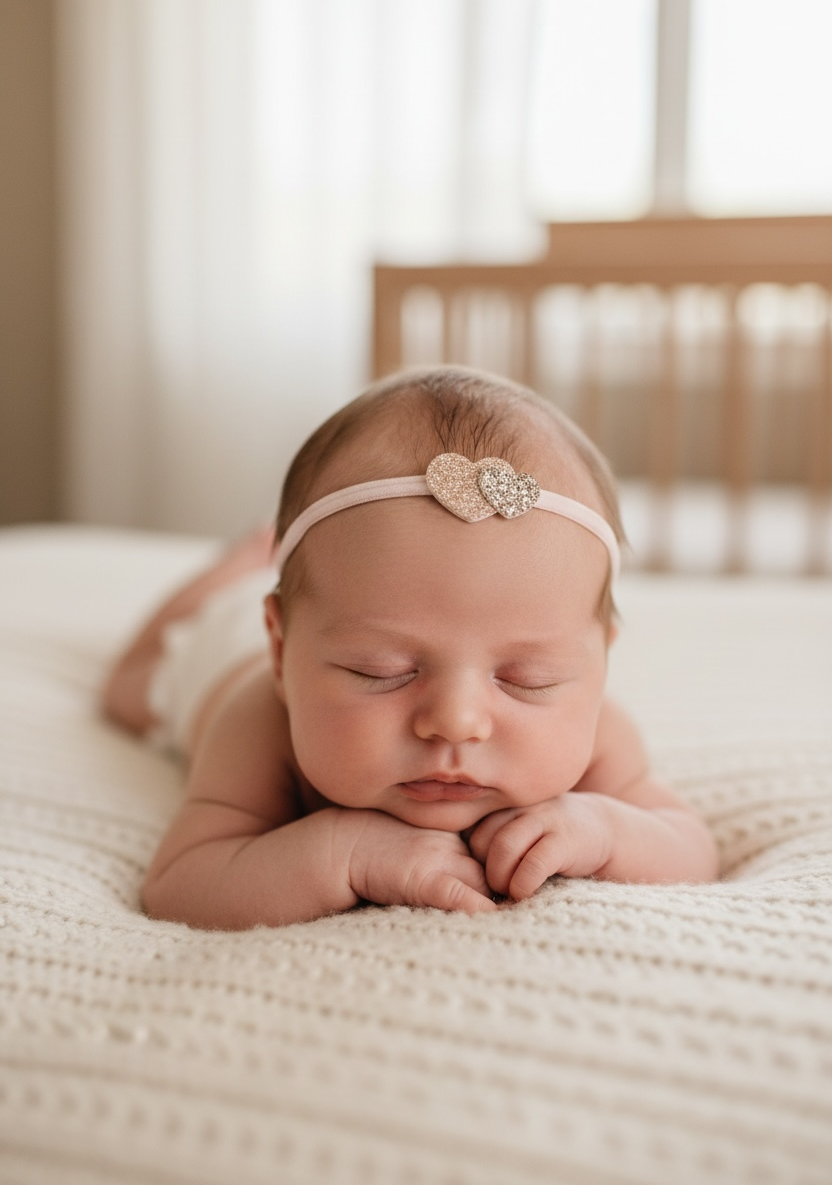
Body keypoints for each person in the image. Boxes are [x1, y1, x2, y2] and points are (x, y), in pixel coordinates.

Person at [103, 367, 718, 929]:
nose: (455, 720)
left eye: (527, 678)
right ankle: (233, 566)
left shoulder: (597, 737)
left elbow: (688, 845)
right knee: (129, 689)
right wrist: (344, 852)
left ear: (599, 664)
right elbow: (184, 883)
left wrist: (604, 829)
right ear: (283, 649)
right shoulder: (257, 724)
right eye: (382, 670)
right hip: (218, 648)